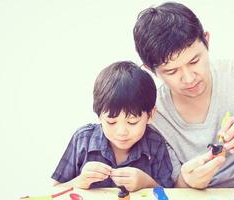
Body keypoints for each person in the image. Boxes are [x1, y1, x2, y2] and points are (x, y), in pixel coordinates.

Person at [133, 2, 234, 189]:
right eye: (172, 72)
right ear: (151, 70)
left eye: (194, 61)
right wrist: (187, 182)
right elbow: (171, 189)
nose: (189, 78)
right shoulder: (152, 113)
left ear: (207, 40)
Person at [51, 61, 174, 191]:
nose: (121, 132)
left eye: (132, 122)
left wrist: (147, 183)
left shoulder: (155, 144)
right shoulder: (83, 139)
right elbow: (53, 190)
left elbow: (171, 195)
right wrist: (79, 181)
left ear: (150, 115)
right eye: (111, 122)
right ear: (99, 115)